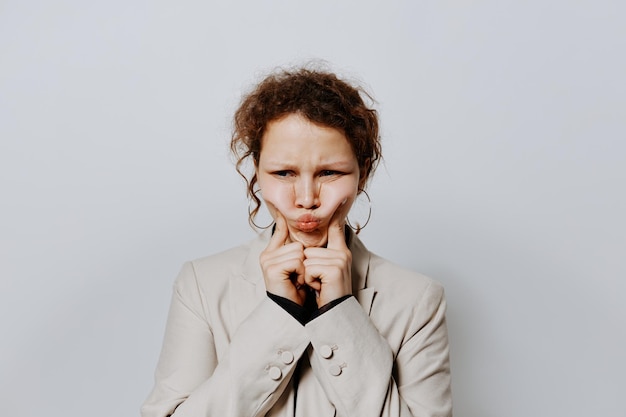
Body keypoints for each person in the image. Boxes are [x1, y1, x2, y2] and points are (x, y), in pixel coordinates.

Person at [141, 66, 452, 417]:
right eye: (284, 173)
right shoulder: (201, 283)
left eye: (330, 172)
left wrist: (339, 311)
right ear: (256, 171)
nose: (306, 198)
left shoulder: (417, 299)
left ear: (362, 172)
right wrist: (279, 311)